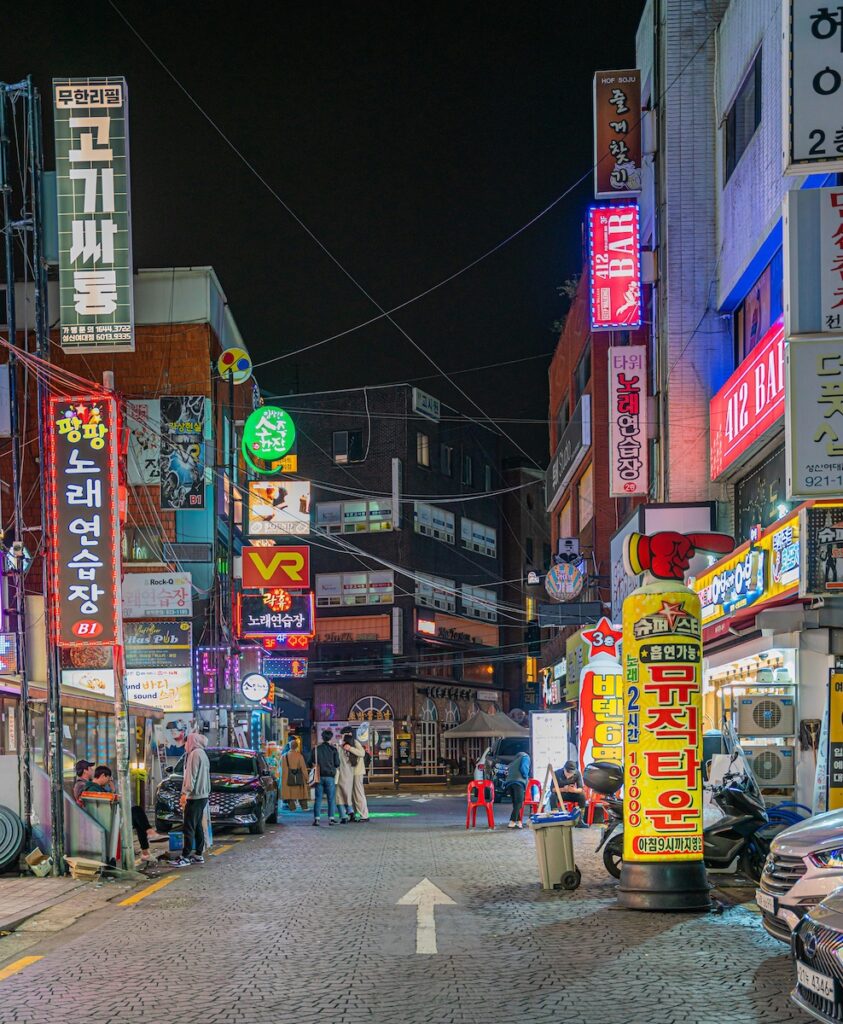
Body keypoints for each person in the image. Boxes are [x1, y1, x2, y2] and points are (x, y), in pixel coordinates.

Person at [88, 766, 167, 862]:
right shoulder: (93, 789)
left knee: (138, 817)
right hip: (109, 819)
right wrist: (113, 793)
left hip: (111, 816)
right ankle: (149, 836)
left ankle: (147, 847)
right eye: (109, 779)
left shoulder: (97, 788)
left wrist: (112, 791)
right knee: (137, 812)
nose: (109, 782)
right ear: (103, 776)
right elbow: (107, 803)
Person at [178, 733, 211, 865]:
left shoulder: (194, 754)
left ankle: (185, 856)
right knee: (196, 825)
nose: (185, 745)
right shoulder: (202, 753)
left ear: (191, 742)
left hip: (195, 795)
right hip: (202, 795)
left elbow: (191, 776)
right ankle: (198, 854)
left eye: (186, 742)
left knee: (189, 826)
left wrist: (185, 793)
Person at [309, 729, 340, 826]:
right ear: (330, 738)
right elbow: (337, 763)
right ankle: (331, 819)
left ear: (322, 737)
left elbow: (310, 762)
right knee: (331, 798)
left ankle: (317, 819)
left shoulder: (316, 749)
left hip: (319, 776)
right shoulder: (333, 749)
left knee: (318, 798)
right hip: (330, 776)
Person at [342, 729, 369, 823]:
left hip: (357, 772)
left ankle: (364, 815)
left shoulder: (355, 742)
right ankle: (352, 814)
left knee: (358, 793)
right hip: (349, 773)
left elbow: (362, 753)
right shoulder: (344, 744)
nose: (342, 736)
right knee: (351, 795)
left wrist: (350, 748)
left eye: (344, 734)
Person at [553, 760, 588, 827]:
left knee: (582, 796)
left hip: (571, 793)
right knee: (552, 796)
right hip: (561, 794)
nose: (569, 775)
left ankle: (580, 820)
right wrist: (563, 789)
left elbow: (580, 788)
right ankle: (556, 819)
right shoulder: (557, 773)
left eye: (571, 773)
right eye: (568, 773)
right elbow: (553, 789)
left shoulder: (577, 773)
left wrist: (574, 790)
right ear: (564, 769)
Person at [281, 736, 309, 812]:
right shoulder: (299, 756)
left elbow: (282, 769)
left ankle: (292, 807)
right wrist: (307, 778)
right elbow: (303, 768)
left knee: (289, 794)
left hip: (288, 779)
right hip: (299, 778)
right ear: (296, 747)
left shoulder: (284, 756)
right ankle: (304, 807)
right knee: (301, 793)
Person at [505, 749, 531, 829]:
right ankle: (512, 821)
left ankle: (519, 822)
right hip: (518, 782)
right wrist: (526, 777)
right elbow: (524, 768)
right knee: (519, 802)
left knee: (516, 803)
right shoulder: (525, 757)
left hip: (509, 783)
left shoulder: (514, 761)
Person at [336, 729, 356, 824]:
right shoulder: (352, 749)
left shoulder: (340, 749)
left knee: (339, 796)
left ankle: (343, 816)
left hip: (340, 774)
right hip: (350, 775)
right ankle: (351, 813)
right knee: (348, 795)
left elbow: (336, 761)